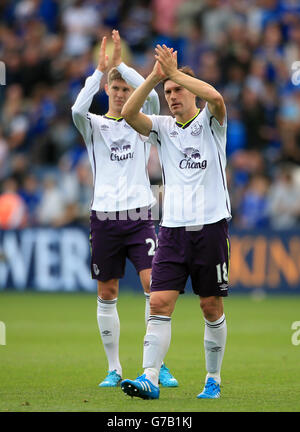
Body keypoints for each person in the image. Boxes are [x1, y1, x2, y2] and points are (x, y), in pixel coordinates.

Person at [120, 44, 231, 399]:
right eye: (167, 92)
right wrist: (155, 75)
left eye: (177, 90)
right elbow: (127, 112)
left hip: (211, 227)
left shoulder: (211, 121)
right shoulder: (163, 128)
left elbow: (214, 95)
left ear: (190, 90)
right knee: (158, 302)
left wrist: (175, 72)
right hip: (172, 230)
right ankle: (149, 377)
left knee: (210, 306)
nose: (171, 96)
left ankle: (212, 378)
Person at [71, 32, 177, 388]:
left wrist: (122, 67)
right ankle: (114, 368)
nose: (120, 94)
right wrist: (99, 71)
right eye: (114, 88)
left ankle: (156, 363)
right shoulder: (94, 126)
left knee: (154, 287)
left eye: (124, 89)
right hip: (103, 217)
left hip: (139, 216)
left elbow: (150, 97)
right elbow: (76, 109)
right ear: (106, 91)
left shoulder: (140, 122)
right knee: (107, 292)